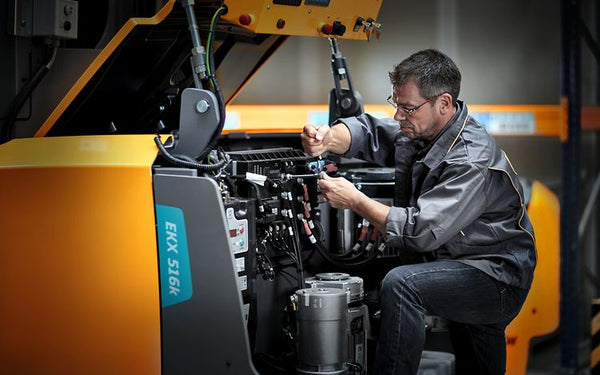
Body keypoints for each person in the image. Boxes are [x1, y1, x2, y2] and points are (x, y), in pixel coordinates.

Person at [301, 49, 536, 375]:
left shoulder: (469, 158)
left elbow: (420, 233)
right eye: (396, 104)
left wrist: (356, 201)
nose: (399, 115)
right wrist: (328, 137)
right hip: (463, 262)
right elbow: (372, 133)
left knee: (402, 284)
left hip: (495, 277)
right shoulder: (424, 130)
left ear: (444, 103)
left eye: (408, 108)